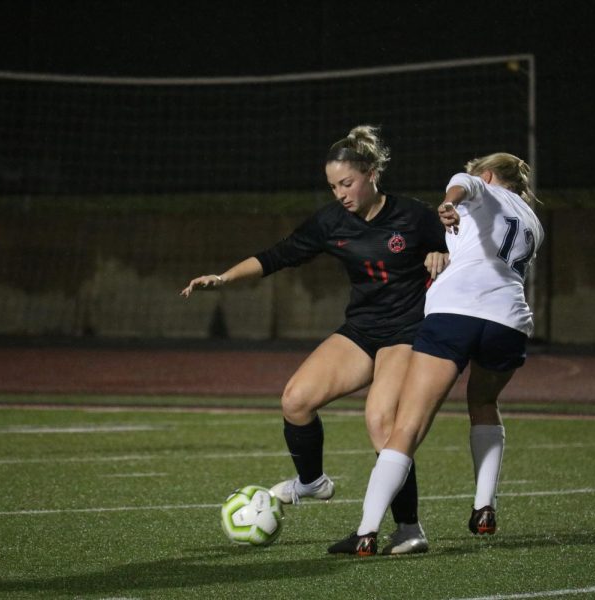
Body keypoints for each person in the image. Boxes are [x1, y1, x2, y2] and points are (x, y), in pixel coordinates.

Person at [182, 125, 449, 554]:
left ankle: (408, 528)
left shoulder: (415, 216)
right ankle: (313, 483)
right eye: (332, 186)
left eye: (347, 183)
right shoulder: (331, 222)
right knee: (296, 399)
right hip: (362, 330)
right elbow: (278, 255)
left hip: (407, 331)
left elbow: (459, 249)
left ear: (372, 172)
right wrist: (224, 277)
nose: (340, 193)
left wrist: (444, 254)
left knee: (382, 423)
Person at [328, 152, 544, 556]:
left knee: (407, 425)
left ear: (490, 173)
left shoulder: (476, 185)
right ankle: (484, 507)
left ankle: (367, 530)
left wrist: (449, 202)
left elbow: (464, 187)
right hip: (509, 322)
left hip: (456, 314)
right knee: (483, 402)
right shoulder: (532, 221)